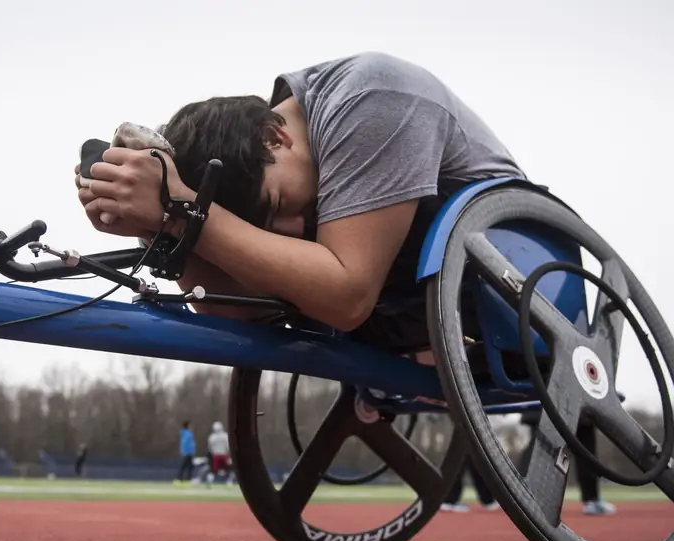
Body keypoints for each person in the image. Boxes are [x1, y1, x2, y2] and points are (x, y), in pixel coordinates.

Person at [75, 51, 525, 353]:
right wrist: (159, 222)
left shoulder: (373, 96)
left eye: (275, 206)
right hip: (422, 302)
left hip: (519, 277)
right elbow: (240, 316)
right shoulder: (287, 162)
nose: (291, 230)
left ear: (275, 136)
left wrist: (187, 212)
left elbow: (346, 298)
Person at [520, 409, 616, 515]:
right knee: (584, 447)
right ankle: (591, 500)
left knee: (538, 446)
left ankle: (518, 491)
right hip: (565, 406)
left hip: (543, 406)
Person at [205, 420, 234, 487]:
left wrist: (212, 453)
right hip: (224, 455)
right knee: (229, 469)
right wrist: (229, 454)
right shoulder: (225, 436)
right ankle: (229, 482)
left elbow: (210, 447)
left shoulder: (212, 437)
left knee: (213, 470)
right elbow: (228, 446)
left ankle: (210, 482)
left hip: (216, 455)